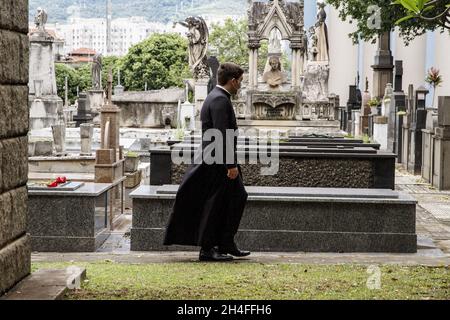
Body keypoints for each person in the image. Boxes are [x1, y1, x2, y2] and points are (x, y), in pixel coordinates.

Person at [164, 63, 250, 262]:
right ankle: (208, 249)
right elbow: (220, 135)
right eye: (240, 82)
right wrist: (230, 165)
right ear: (233, 80)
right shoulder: (220, 100)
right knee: (217, 202)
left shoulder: (216, 97)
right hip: (216, 162)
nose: (240, 86)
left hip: (215, 158)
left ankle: (225, 243)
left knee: (234, 197)